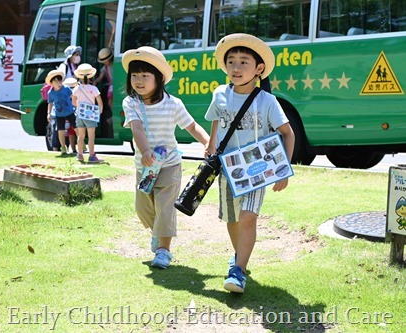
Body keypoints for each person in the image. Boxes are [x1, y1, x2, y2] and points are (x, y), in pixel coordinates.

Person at [204, 33, 295, 293]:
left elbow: (288, 133)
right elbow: (215, 120)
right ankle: (239, 256)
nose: (236, 67)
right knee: (231, 218)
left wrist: (283, 171)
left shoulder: (267, 100)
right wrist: (211, 146)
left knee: (248, 218)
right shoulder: (220, 93)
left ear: (259, 69)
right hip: (226, 167)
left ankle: (238, 270)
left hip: (257, 170)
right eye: (231, 61)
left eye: (244, 62)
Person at [121, 46, 210, 269]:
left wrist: (209, 143)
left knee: (165, 206)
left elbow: (192, 126)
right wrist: (145, 152)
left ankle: (164, 250)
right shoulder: (131, 103)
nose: (138, 81)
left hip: (170, 164)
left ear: (159, 78)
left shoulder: (173, 103)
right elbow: (137, 129)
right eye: (134, 75)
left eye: (144, 75)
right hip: (145, 166)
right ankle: (157, 232)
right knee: (142, 207)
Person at [72, 63, 103, 163]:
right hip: (91, 115)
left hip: (80, 114)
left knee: (80, 136)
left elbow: (73, 102)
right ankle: (91, 155)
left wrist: (80, 107)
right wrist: (100, 111)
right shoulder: (94, 89)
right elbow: (99, 102)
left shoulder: (76, 88)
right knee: (91, 136)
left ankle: (80, 155)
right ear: (91, 76)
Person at [45, 69, 76, 155]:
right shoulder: (50, 93)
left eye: (59, 81)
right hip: (59, 115)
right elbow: (50, 103)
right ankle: (63, 147)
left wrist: (76, 105)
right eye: (55, 82)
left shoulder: (66, 88)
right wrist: (49, 113)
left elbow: (73, 96)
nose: (58, 84)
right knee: (60, 130)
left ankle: (81, 143)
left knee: (76, 128)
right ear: (51, 83)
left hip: (70, 112)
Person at [93, 48, 114, 138]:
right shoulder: (105, 68)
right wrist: (95, 82)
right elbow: (100, 77)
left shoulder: (115, 64)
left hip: (117, 83)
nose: (104, 62)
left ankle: (114, 116)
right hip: (112, 85)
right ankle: (113, 115)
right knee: (110, 102)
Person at [64, 77, 79, 154]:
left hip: (70, 116)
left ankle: (74, 149)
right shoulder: (77, 93)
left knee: (71, 134)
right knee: (75, 133)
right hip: (74, 115)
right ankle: (76, 149)